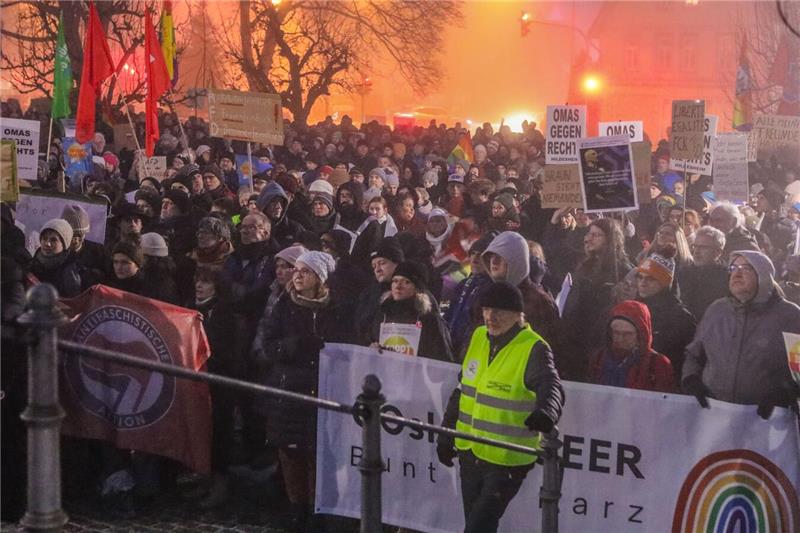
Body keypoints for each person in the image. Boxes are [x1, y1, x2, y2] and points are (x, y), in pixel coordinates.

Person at [437, 282, 564, 533]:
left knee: (476, 528)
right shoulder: (478, 336)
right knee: (478, 525)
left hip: (505, 459)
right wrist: (446, 433)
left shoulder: (533, 347)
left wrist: (546, 412)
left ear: (518, 315)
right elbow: (464, 390)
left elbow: (551, 387)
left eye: (499, 312)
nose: (490, 317)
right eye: (486, 310)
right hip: (469, 450)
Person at [251, 251, 355, 529]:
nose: (296, 275)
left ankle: (318, 510)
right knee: (291, 454)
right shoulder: (284, 305)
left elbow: (348, 345)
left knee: (318, 455)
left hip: (324, 390)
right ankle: (297, 509)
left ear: (319, 278)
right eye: (295, 270)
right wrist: (293, 345)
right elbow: (268, 346)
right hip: (289, 393)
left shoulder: (336, 309)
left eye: (304, 271)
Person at [682, 251, 800, 415]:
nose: (737, 273)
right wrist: (691, 380)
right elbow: (694, 355)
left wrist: (786, 392)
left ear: (763, 276)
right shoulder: (717, 310)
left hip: (765, 422)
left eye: (746, 268)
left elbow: (799, 370)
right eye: (733, 268)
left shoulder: (790, 316)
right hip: (714, 415)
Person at [369, 261, 453, 361]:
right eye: (395, 281)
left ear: (417, 289)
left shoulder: (429, 319)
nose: (398, 286)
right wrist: (372, 349)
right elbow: (369, 342)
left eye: (406, 282)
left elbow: (441, 358)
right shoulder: (382, 313)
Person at [634, 246, 696, 377]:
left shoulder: (682, 318)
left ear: (665, 283)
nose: (642, 283)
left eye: (650, 278)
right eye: (640, 277)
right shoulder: (631, 308)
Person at [589, 300, 674, 392]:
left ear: (640, 334)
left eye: (627, 334)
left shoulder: (657, 364)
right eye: (616, 333)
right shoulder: (598, 358)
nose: (620, 339)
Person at [678, 225, 729, 319]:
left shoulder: (727, 277)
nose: (696, 251)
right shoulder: (684, 272)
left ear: (718, 252)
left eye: (703, 247)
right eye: (695, 246)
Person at [29, 218, 83, 297]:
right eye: (44, 238)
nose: (48, 244)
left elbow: (73, 303)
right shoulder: (34, 261)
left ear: (64, 245)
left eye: (53, 240)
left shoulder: (70, 270)